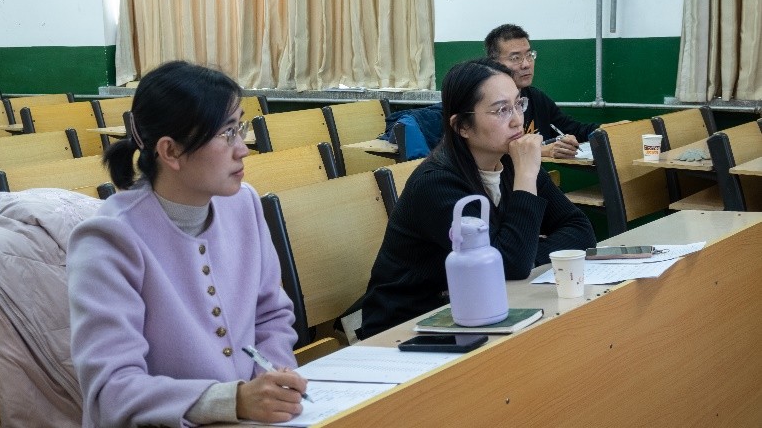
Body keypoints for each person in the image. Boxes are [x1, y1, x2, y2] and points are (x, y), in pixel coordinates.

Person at [68, 61, 307, 427]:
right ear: (171, 151)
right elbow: (112, 390)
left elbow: (271, 315)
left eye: (239, 127)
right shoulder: (109, 239)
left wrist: (272, 380)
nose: (242, 149)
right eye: (226, 133)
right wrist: (232, 401)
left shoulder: (243, 204)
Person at [359, 58, 596, 339]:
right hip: (409, 326)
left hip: (478, 308)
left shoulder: (511, 160)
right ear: (462, 126)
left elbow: (580, 230)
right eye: (501, 110)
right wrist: (526, 179)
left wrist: (523, 252)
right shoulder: (438, 183)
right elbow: (510, 264)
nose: (517, 120)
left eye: (518, 104)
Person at [485, 23, 600, 159]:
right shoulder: (489, 104)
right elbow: (491, 151)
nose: (526, 64)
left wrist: (609, 130)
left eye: (529, 55)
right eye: (516, 58)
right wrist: (542, 150)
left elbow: (574, 130)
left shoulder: (535, 97)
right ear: (494, 63)